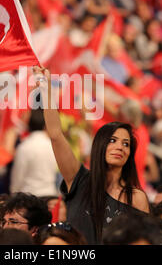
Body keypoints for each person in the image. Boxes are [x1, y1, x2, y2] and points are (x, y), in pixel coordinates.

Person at [34, 66, 149, 244]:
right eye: (113, 140)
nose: (120, 147)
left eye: (126, 143)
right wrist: (46, 88)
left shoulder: (137, 198)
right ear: (99, 145)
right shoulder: (78, 180)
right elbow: (56, 134)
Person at [10, 108, 59, 197]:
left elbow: (18, 175)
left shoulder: (24, 146)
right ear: (45, 125)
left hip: (29, 196)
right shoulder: (52, 146)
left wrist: (14, 193)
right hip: (50, 194)